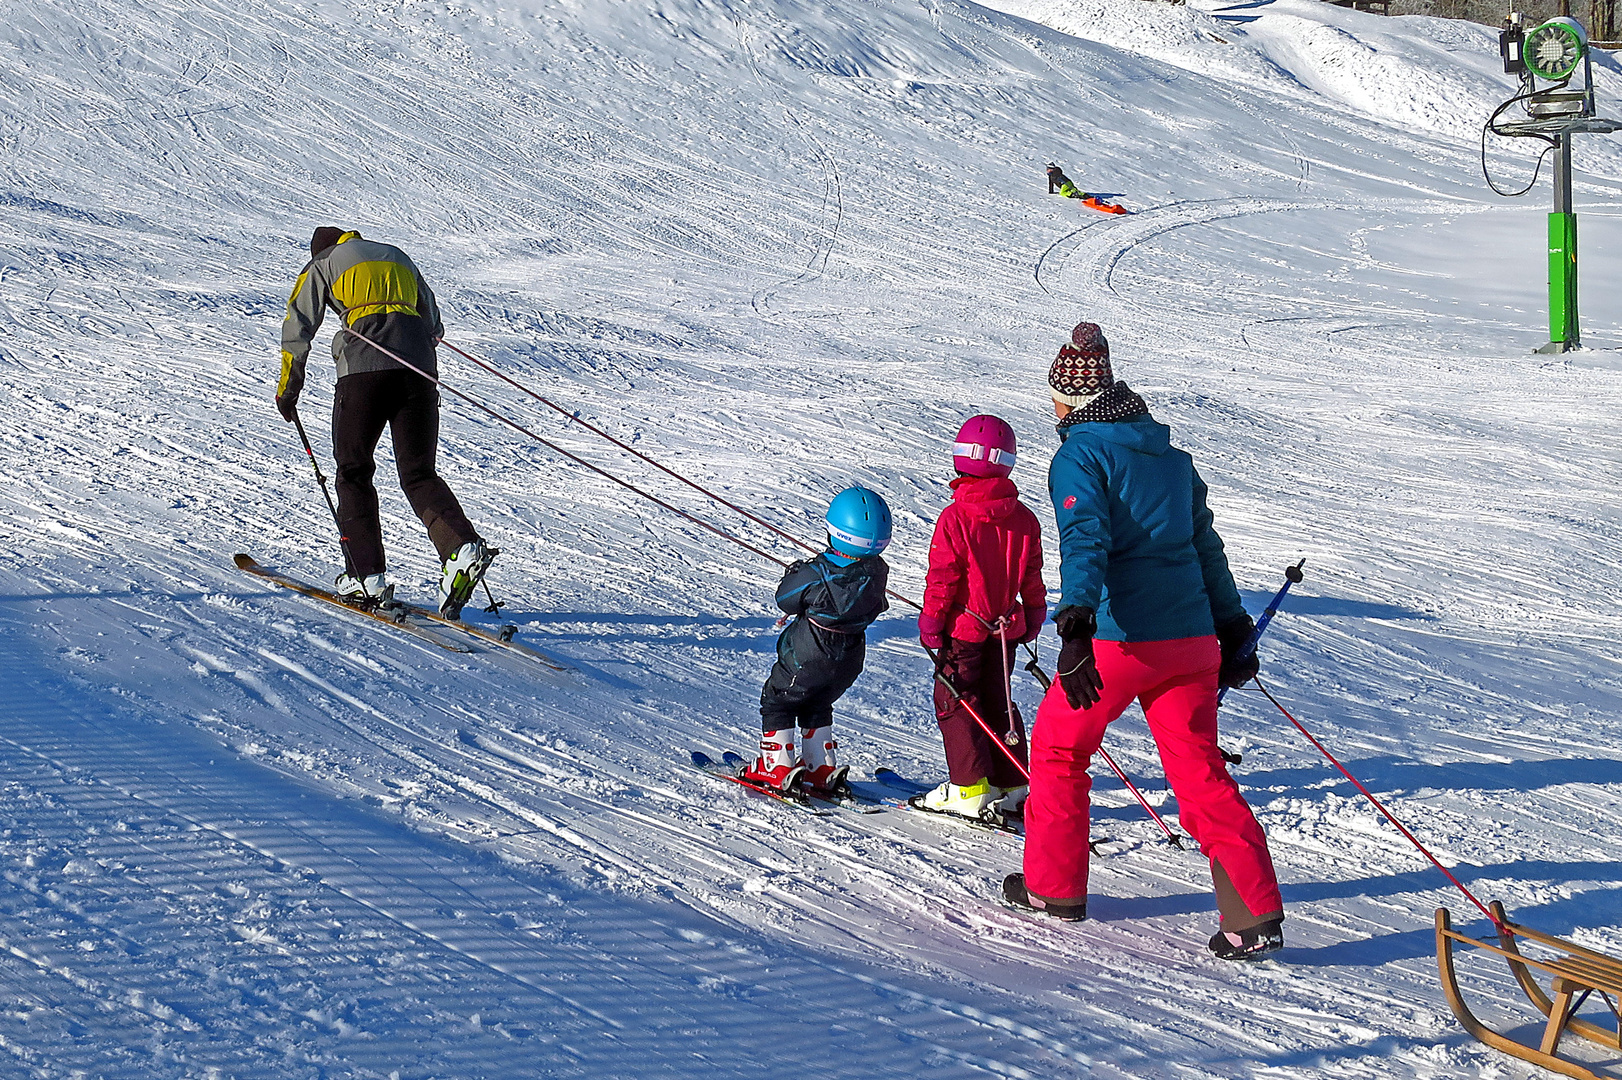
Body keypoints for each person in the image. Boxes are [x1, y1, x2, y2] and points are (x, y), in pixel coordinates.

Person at [1002, 322, 1285, 961]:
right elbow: (1205, 547)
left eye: (1054, 398)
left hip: (1118, 643)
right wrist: (1232, 625)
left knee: (1057, 749)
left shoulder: (1080, 454)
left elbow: (1084, 541)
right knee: (1198, 769)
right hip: (1190, 639)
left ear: (1069, 400)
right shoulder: (1172, 459)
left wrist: (1075, 630)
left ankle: (1054, 888)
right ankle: (1254, 911)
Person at [277, 227, 494, 618]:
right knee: (419, 473)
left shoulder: (323, 262)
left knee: (354, 472)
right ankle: (460, 547)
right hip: (419, 372)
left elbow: (299, 324)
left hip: (364, 374)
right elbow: (435, 324)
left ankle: (366, 576)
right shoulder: (397, 255)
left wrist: (289, 389)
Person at [916, 415, 1046, 820]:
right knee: (998, 700)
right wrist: (1035, 614)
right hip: (1004, 632)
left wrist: (932, 624)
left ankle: (970, 788)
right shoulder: (1023, 518)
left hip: (965, 632)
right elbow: (1032, 575)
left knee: (954, 701)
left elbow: (944, 578)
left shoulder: (955, 518)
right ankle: (1013, 782)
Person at [744, 487, 892, 794]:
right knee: (819, 700)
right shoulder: (878, 572)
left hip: (808, 655)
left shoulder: (817, 572)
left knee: (779, 699)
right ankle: (819, 765)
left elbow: (785, 598)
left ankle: (778, 765)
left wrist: (797, 573)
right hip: (850, 659)